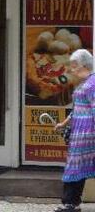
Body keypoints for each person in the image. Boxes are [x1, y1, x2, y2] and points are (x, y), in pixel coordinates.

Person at [53, 49, 95, 212]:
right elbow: (77, 109)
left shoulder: (91, 84)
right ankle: (71, 203)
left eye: (74, 65)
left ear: (83, 65)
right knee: (78, 166)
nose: (71, 69)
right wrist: (63, 123)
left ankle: (70, 203)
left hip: (87, 133)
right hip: (80, 132)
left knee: (75, 166)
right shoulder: (85, 83)